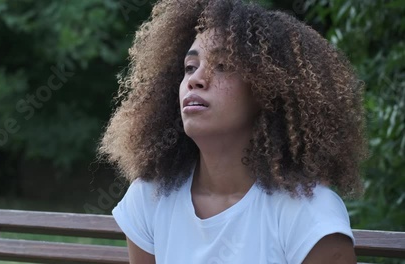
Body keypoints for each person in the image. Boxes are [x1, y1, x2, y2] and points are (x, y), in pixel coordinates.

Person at [98, 0, 368, 263]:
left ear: (267, 91)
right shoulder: (150, 196)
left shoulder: (309, 214)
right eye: (190, 67)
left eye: (223, 66)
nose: (195, 79)